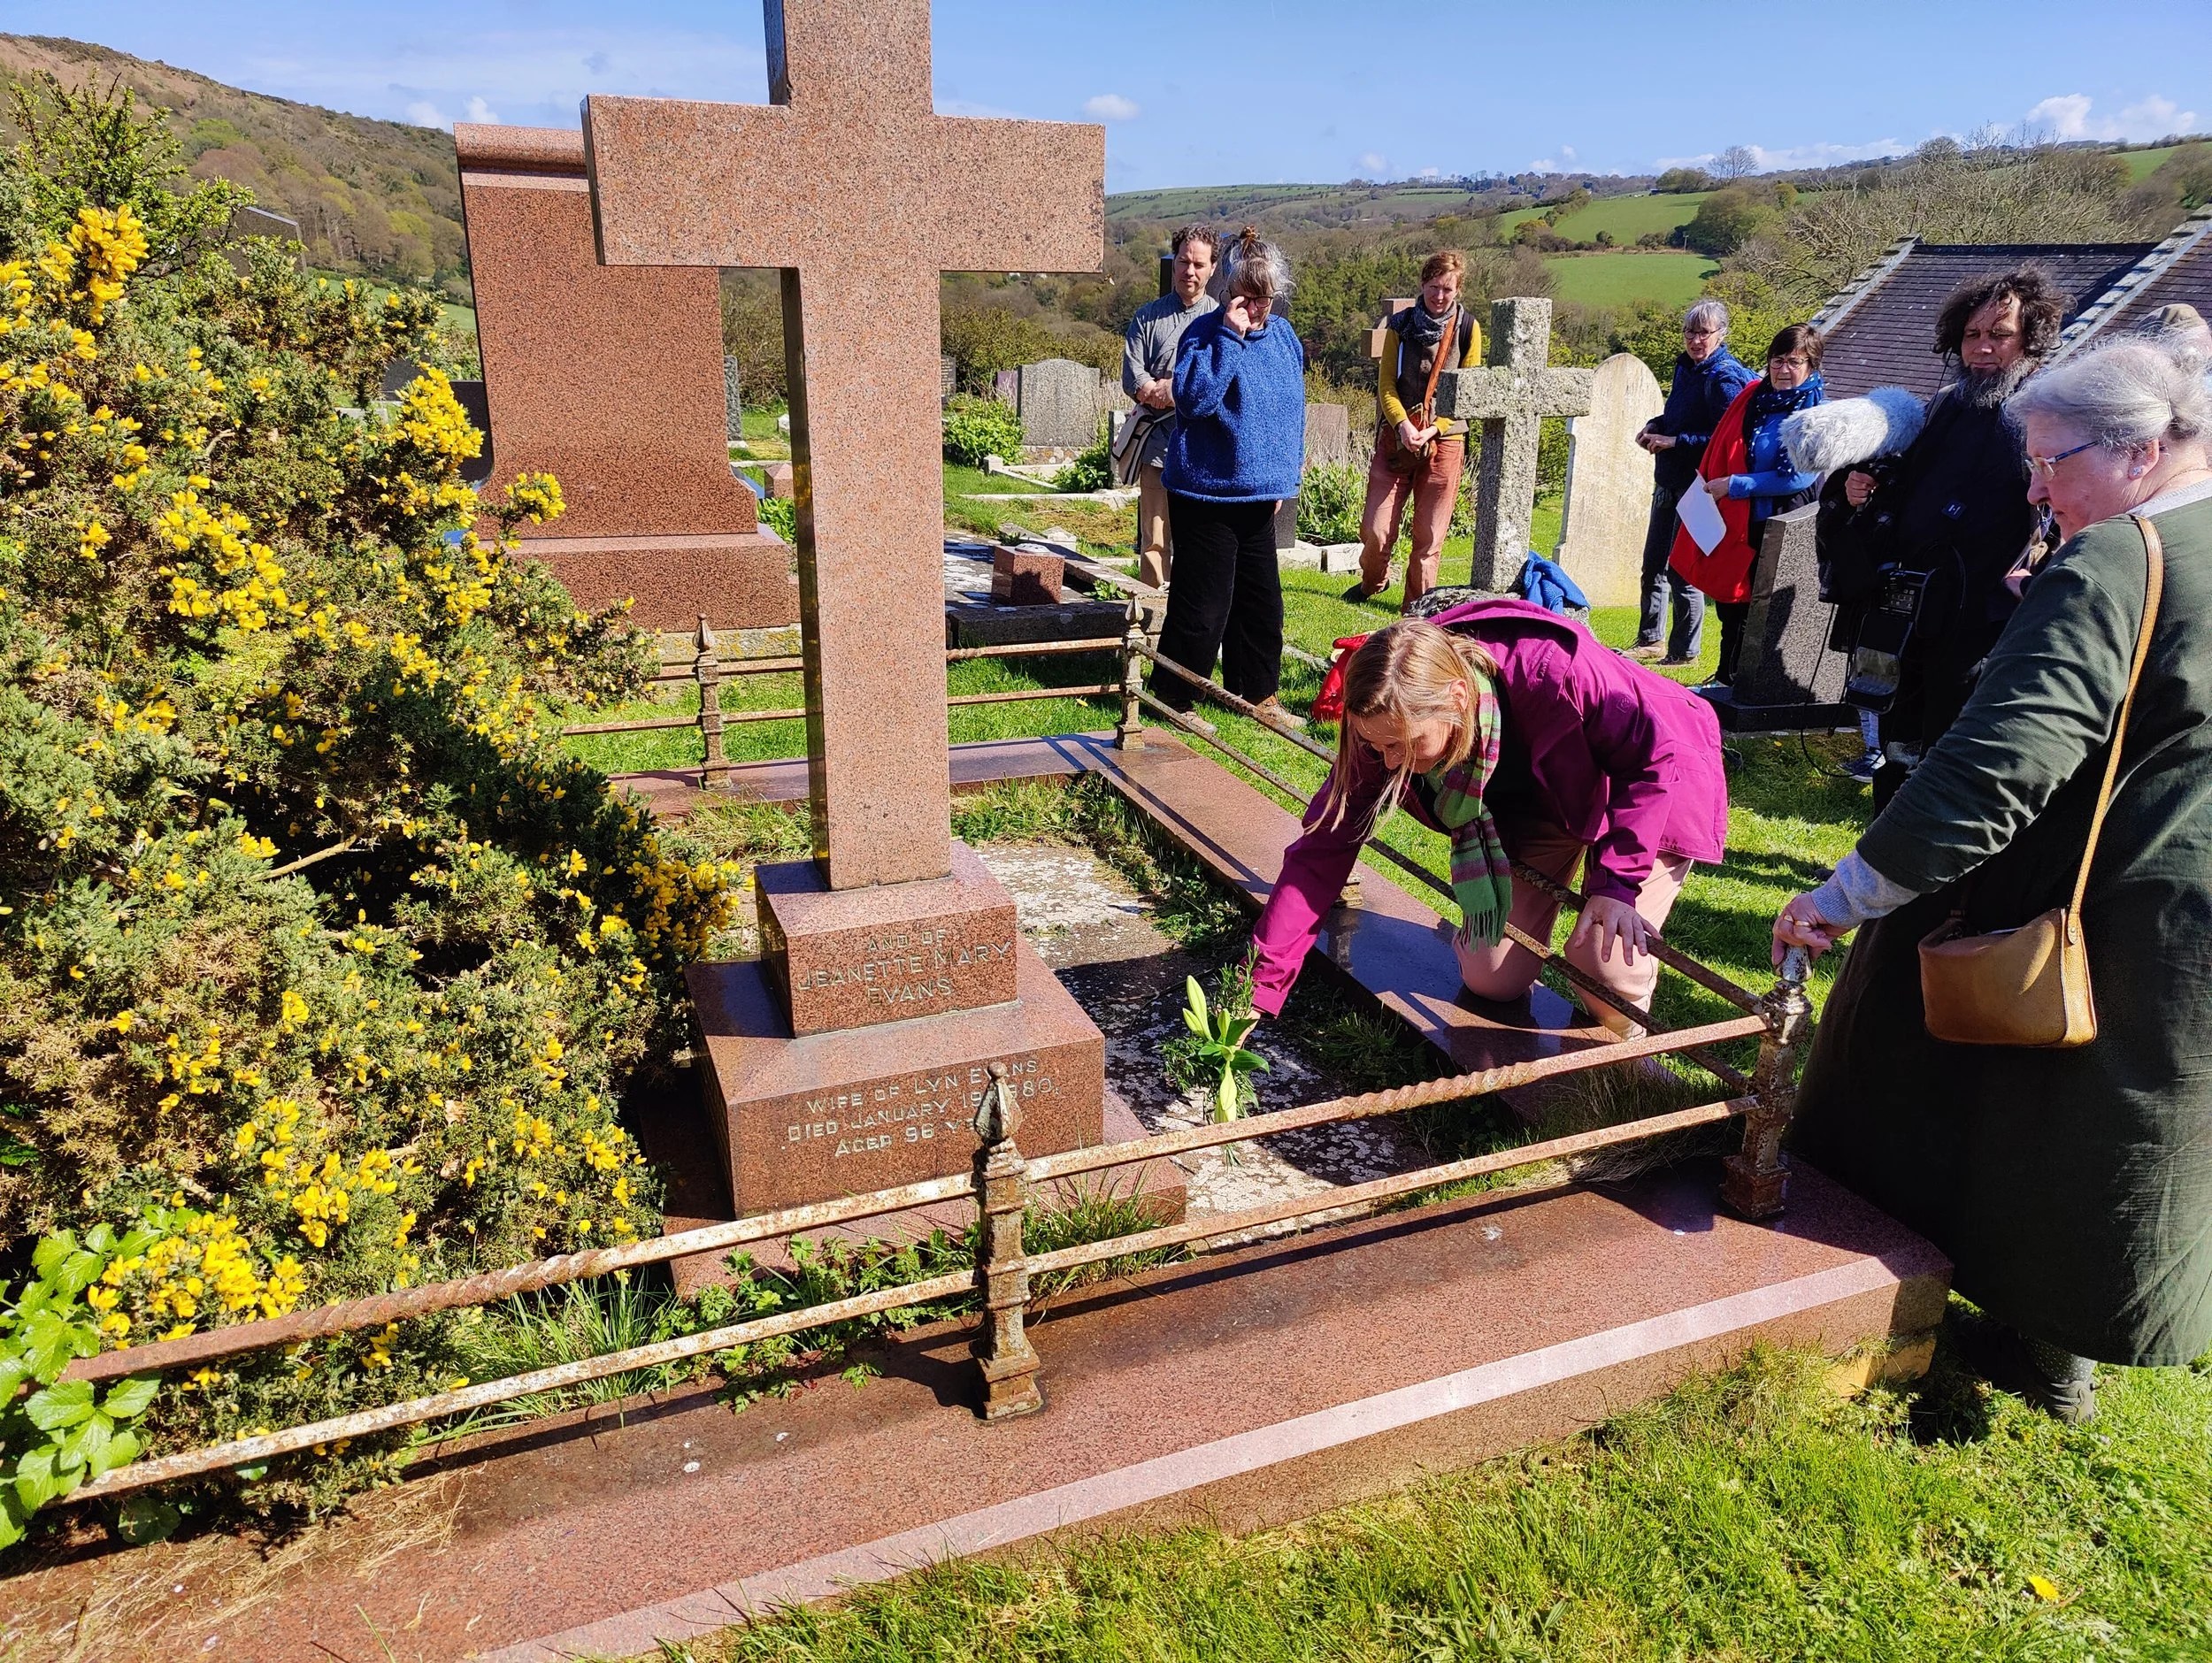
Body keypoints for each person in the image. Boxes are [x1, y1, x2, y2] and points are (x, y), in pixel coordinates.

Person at [1773, 338, 2212, 1423]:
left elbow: (1996, 768)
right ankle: (2059, 1348)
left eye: (2051, 462)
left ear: (2140, 451)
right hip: (2185, 900)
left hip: (2092, 890)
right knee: (2112, 1122)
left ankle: (1862, 1285)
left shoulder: (2117, 560)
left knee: (1935, 1069)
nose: (2033, 485)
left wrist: (1843, 896)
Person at [1250, 602, 1728, 1032]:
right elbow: (1322, 850)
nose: (1390, 763)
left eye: (1403, 745)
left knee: (1602, 956)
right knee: (1491, 975)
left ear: (1458, 699)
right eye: (1378, 747)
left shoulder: (1556, 673)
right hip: (1546, 802)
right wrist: (1261, 987)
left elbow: (1648, 758)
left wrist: (1617, 886)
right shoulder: (1386, 715)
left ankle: (1622, 1049)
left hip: (1651, 784)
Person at [1816, 265, 2066, 807]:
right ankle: (1879, 855)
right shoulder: (1948, 403)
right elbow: (1907, 485)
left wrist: (2040, 572)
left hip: (1979, 617)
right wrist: (1863, 485)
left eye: (1999, 335)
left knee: (1950, 748)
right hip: (1909, 604)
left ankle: (1927, 879)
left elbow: (2069, 509)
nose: (1982, 348)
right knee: (1896, 740)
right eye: (1972, 335)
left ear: (2030, 339)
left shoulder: (2044, 415)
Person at [1151, 229, 1307, 731]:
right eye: (1247, 298)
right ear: (1228, 291)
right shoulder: (1204, 334)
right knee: (1203, 604)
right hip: (1205, 491)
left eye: (1264, 299)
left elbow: (1290, 415)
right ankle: (1175, 695)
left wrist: (1282, 482)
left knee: (1261, 605)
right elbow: (1195, 402)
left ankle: (1256, 694)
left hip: (1258, 495)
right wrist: (1230, 338)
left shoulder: (1285, 339)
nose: (1257, 309)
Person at [1667, 325, 1825, 686]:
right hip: (1739, 515)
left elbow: (1797, 477)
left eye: (1795, 362)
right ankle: (1726, 677)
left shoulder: (1814, 413)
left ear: (1812, 365)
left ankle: (1753, 683)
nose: (1784, 370)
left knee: (1766, 606)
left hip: (1783, 517)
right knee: (1731, 600)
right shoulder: (1755, 396)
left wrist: (1735, 485)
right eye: (1777, 360)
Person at [1347, 251, 1483, 610]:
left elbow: (1467, 392)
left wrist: (1435, 429)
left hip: (1446, 441)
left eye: (1448, 289)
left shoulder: (1469, 328)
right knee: (1375, 531)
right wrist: (1403, 424)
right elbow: (1386, 383)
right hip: (1397, 437)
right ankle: (1373, 581)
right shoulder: (1400, 325)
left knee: (1430, 536)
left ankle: (1416, 610)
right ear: (1422, 284)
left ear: (1458, 290)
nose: (1440, 296)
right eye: (1434, 287)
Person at [1628, 301, 1755, 666]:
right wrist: (1657, 425)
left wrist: (1675, 442)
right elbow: (1680, 417)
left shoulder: (1725, 377)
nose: (1696, 340)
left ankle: (1684, 651)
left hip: (1700, 488)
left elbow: (1726, 438)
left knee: (1685, 570)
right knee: (1654, 564)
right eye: (1690, 332)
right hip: (1669, 478)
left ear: (1722, 334)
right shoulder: (1687, 368)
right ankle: (1650, 640)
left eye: (1704, 333)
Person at [1119, 225, 1221, 589]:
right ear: (1173, 262)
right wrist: (1151, 388)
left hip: (1202, 448)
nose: (1189, 271)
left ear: (1212, 268)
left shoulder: (1221, 322)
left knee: (1198, 540)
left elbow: (1219, 378)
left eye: (1198, 264)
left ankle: (1191, 610)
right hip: (1158, 446)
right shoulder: (1147, 317)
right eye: (1183, 262)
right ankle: (1151, 612)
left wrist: (1177, 389)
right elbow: (1132, 371)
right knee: (1155, 537)